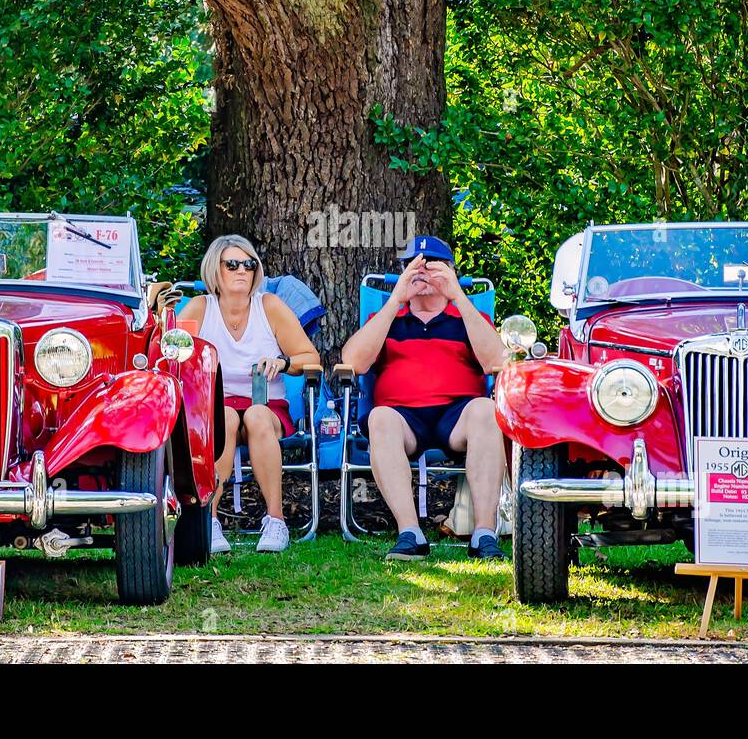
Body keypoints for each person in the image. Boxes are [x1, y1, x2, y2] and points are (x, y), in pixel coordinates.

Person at [340, 235, 507, 560]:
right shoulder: (387, 319)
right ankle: (410, 534)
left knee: (488, 411)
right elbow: (354, 362)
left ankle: (484, 534)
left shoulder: (469, 318)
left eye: (434, 266)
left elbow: (495, 361)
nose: (424, 272)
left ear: (450, 271)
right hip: (403, 417)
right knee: (380, 417)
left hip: (458, 414)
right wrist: (395, 300)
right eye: (414, 267)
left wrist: (457, 295)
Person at [179, 235, 320, 553]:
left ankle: (276, 521)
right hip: (217, 406)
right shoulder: (201, 308)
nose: (242, 270)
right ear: (216, 270)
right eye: (232, 264)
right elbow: (175, 354)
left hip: (266, 405)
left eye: (248, 264)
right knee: (225, 417)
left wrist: (282, 362)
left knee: (255, 416)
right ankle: (209, 522)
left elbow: (311, 360)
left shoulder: (269, 306)